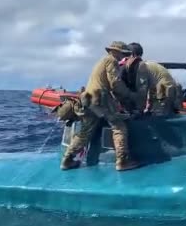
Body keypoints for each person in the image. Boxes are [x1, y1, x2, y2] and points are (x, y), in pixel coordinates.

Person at [60, 41, 141, 172]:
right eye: (122, 53)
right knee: (118, 126)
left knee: (85, 131)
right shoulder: (111, 61)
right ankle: (123, 161)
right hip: (101, 98)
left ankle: (67, 160)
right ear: (114, 51)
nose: (123, 56)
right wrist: (131, 95)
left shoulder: (100, 61)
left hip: (88, 98)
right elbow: (115, 83)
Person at [126, 42, 182, 116]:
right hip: (169, 93)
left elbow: (143, 91)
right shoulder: (149, 64)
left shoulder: (141, 67)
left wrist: (139, 110)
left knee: (159, 118)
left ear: (133, 55)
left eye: (126, 55)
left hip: (164, 95)